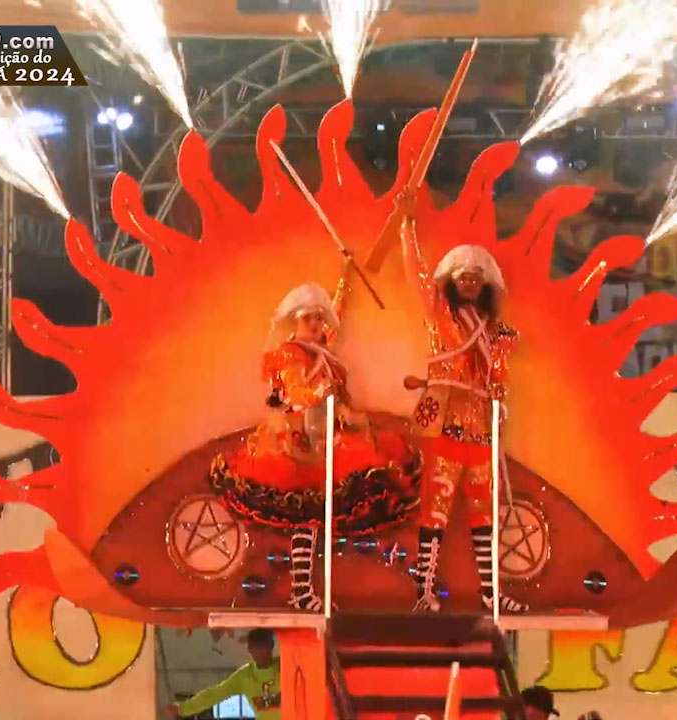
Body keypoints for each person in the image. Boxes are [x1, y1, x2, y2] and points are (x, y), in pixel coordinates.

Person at [209, 262, 421, 611]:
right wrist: (318, 394)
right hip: (298, 439)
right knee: (305, 513)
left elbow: (337, 315)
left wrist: (345, 278)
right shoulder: (291, 353)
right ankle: (302, 589)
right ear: (296, 320)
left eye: (319, 319)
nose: (315, 324)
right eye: (309, 318)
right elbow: (295, 392)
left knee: (318, 515)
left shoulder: (322, 352)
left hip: (328, 434)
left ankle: (304, 588)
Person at [396, 193, 526, 614]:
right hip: (446, 426)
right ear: (451, 281)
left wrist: (499, 395)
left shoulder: (494, 330)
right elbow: (415, 276)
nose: (469, 282)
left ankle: (490, 593)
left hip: (481, 431)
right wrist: (407, 227)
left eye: (475, 277)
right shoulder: (440, 315)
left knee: (484, 513)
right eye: (463, 276)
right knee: (435, 510)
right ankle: (424, 591)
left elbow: (498, 374)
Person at [166, 629, 280, 720]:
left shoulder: (284, 666)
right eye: (257, 648)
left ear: (271, 646)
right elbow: (214, 694)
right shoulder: (244, 676)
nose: (261, 652)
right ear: (250, 649)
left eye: (264, 647)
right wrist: (183, 708)